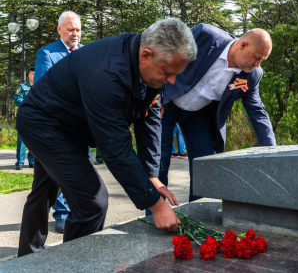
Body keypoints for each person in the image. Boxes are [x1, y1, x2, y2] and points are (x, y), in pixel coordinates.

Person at [16, 17, 196, 257]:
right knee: (91, 201)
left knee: (43, 190)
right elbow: (115, 148)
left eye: (175, 74)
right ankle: (74, 265)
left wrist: (152, 176)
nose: (171, 81)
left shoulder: (151, 64)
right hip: (44, 122)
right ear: (146, 55)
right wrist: (155, 204)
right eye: (167, 72)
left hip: (73, 124)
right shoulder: (107, 73)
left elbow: (149, 117)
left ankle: (27, 257)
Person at [159, 23, 276, 203]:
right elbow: (165, 55)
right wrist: (157, 95)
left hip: (199, 116)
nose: (257, 64)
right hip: (168, 104)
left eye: (262, 60)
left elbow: (258, 112)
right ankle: (154, 217)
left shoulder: (252, 75)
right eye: (256, 58)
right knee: (159, 163)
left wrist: (272, 153)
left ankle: (197, 219)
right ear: (243, 45)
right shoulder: (205, 35)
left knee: (205, 170)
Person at [34, 11, 83, 233]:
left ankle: (75, 210)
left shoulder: (86, 53)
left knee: (77, 168)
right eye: (71, 29)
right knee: (53, 173)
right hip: (54, 124)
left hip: (79, 124)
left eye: (78, 29)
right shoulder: (47, 54)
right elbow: (44, 91)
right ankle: (61, 214)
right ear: (59, 29)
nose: (75, 33)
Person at [14, 67, 35, 170]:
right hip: (24, 117)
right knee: (22, 140)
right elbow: (17, 99)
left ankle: (32, 161)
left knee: (34, 140)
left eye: (36, 74)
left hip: (36, 117)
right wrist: (29, 104)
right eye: (32, 74)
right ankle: (20, 162)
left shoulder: (39, 86)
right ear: (29, 75)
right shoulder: (22, 87)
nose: (34, 75)